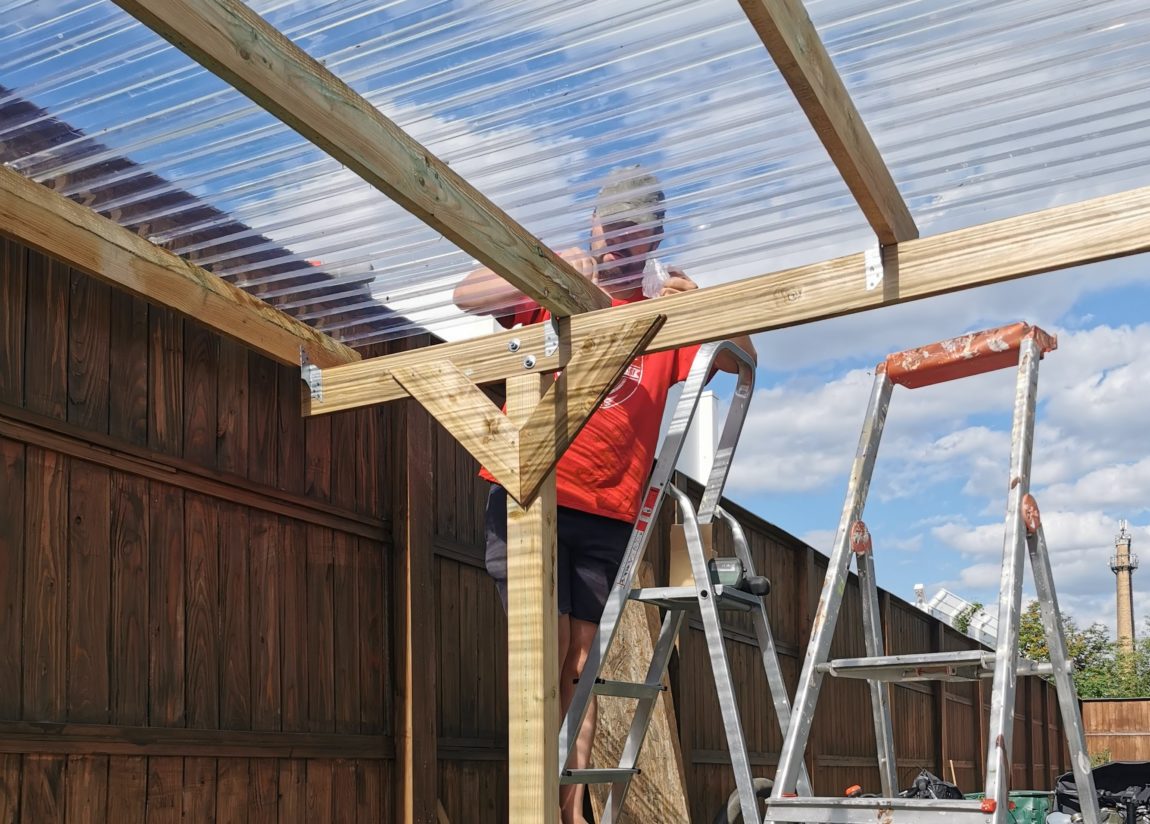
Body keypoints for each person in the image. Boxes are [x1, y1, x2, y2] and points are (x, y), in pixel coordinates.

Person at [453, 166, 756, 824]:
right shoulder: (553, 286)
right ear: (592, 225)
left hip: (610, 513)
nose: (619, 244)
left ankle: (572, 813)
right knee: (546, 656)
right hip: (533, 497)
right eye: (610, 229)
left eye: (635, 234)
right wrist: (540, 267)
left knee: (582, 669)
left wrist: (700, 305)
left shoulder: (661, 315)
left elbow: (739, 356)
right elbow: (466, 294)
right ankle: (540, 812)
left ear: (655, 238)